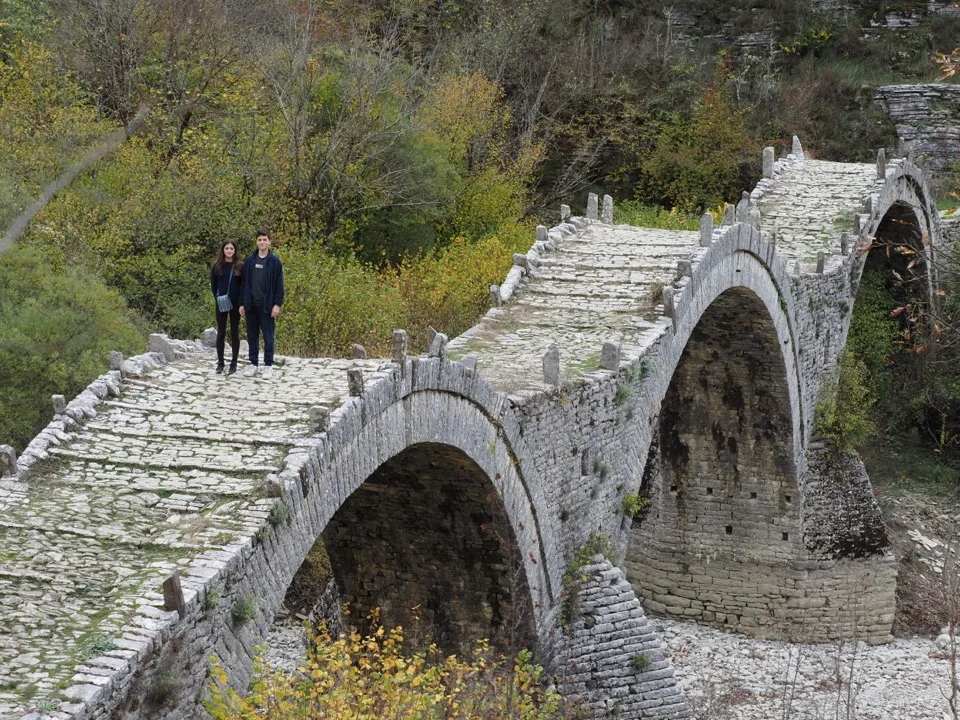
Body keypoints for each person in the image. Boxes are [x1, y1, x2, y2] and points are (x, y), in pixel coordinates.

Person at [239, 228, 284, 379]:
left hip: (267, 306)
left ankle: (268, 366)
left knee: (268, 336)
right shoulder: (250, 260)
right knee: (252, 336)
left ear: (269, 242)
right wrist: (242, 303)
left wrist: (277, 304)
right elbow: (244, 283)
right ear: (256, 242)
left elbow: (279, 285)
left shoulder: (275, 262)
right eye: (260, 239)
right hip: (251, 305)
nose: (262, 242)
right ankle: (253, 364)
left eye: (265, 239)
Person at [210, 239, 243, 374]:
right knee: (221, 332)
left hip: (235, 303)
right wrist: (218, 299)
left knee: (234, 332)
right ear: (223, 250)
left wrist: (241, 303)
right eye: (227, 248)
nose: (229, 251)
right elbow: (214, 285)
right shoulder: (217, 266)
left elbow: (243, 285)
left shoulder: (240, 266)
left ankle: (234, 362)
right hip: (222, 302)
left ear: (235, 250)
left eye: (231, 249)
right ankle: (221, 362)